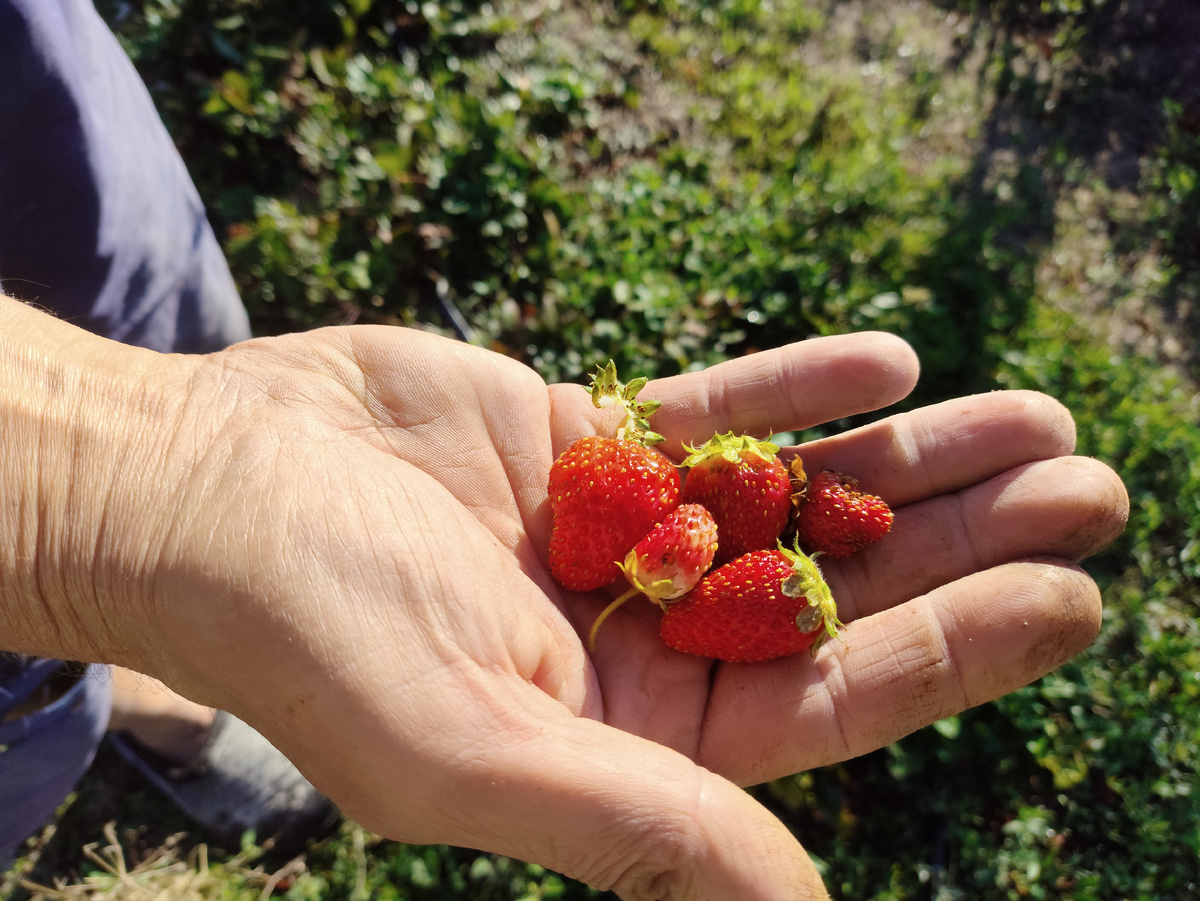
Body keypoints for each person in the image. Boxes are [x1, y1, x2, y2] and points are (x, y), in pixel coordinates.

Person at [0, 2, 1132, 900]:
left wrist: (175, 450)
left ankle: (159, 679)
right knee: (55, 669)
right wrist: (128, 504)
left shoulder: (666, 518)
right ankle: (115, 681)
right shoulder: (657, 538)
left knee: (133, 292)